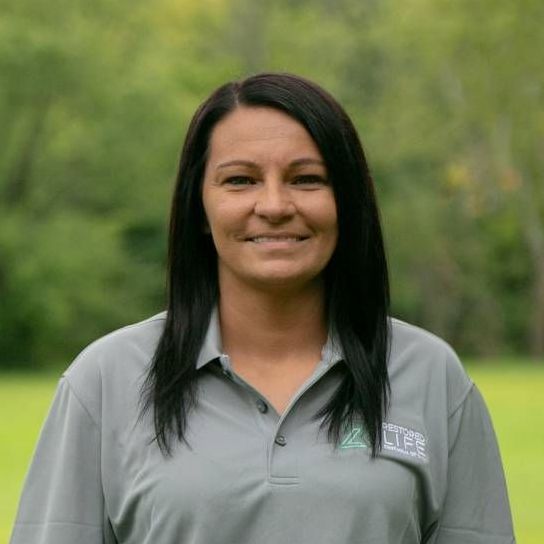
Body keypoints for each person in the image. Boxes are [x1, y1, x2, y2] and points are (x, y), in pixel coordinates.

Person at [10, 73, 515, 544]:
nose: (274, 205)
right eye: (240, 181)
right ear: (199, 210)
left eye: (307, 179)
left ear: (348, 203)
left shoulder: (430, 375)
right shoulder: (105, 380)